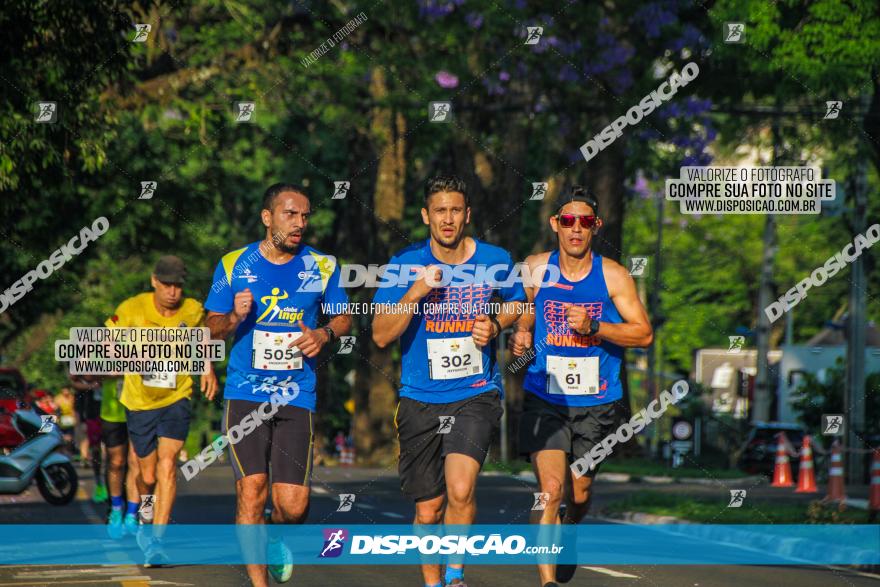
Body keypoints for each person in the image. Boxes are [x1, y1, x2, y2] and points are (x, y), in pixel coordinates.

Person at [372, 175, 525, 587]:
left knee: (460, 490)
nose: (448, 218)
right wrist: (415, 292)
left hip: (475, 393)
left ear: (467, 215)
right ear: (426, 216)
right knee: (428, 510)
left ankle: (455, 574)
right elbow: (382, 334)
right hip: (419, 397)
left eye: (455, 210)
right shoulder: (404, 264)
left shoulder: (494, 258)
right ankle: (432, 582)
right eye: (439, 210)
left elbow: (519, 304)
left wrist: (495, 323)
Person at [205, 183, 351, 587]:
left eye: (305, 216)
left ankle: (277, 534)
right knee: (251, 490)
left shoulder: (322, 265)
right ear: (268, 217)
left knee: (294, 505)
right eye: (291, 214)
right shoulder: (234, 263)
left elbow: (343, 318)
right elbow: (210, 328)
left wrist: (324, 335)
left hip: (296, 394)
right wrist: (233, 318)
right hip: (246, 393)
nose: (300, 223)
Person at [509, 187, 653, 587]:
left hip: (597, 401)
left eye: (585, 221)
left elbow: (643, 334)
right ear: (555, 224)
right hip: (545, 394)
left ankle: (569, 529)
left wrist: (595, 327)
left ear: (596, 226)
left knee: (580, 490)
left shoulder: (613, 275)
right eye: (568, 220)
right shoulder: (536, 267)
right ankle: (548, 582)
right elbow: (523, 310)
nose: (576, 228)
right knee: (551, 489)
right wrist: (521, 333)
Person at [107, 255, 218, 566]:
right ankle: (144, 513)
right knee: (148, 474)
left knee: (168, 466)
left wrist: (206, 369)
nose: (173, 291)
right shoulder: (131, 308)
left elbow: (203, 339)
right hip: (139, 401)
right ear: (154, 281)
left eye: (178, 285)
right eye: (167, 284)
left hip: (176, 396)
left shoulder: (193, 309)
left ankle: (156, 540)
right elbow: (108, 343)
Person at [97, 375, 141, 539]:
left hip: (140, 408)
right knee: (116, 461)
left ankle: (132, 513)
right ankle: (116, 510)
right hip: (113, 412)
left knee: (135, 460)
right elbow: (91, 373)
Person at [69, 376, 106, 503]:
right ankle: (99, 484)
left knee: (116, 454)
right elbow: (74, 381)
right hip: (92, 414)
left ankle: (115, 486)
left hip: (115, 411)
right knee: (96, 450)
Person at [55, 387, 77, 452]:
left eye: (67, 390)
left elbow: (74, 409)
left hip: (71, 419)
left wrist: (75, 418)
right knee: (62, 437)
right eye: (64, 390)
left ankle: (69, 451)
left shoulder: (72, 398)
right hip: (61, 419)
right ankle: (63, 451)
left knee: (70, 437)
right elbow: (56, 410)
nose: (66, 392)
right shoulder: (58, 398)